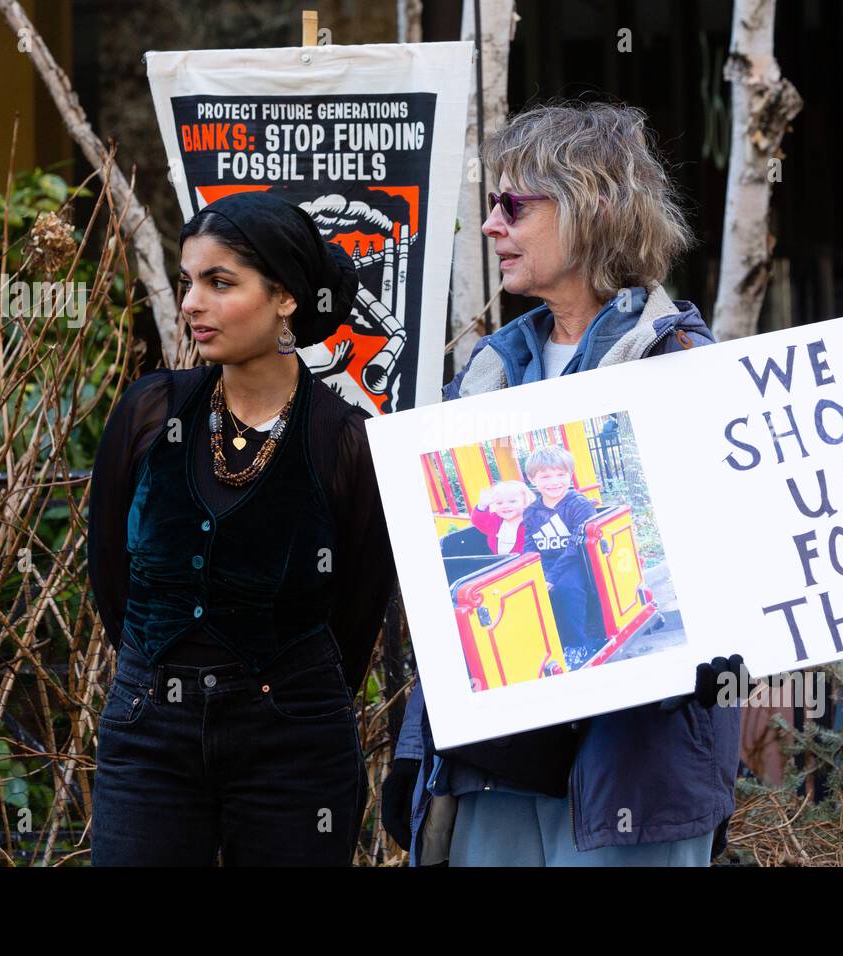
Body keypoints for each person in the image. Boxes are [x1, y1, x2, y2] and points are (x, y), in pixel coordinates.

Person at [381, 101, 743, 867]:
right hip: (492, 772)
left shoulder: (680, 367)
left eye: (514, 204)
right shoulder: (485, 372)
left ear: (596, 205)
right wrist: (420, 746)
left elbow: (735, 574)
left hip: (633, 772)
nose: (491, 226)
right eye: (490, 205)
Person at [86, 190, 395, 865]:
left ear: (284, 297)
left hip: (294, 741)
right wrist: (155, 660)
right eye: (188, 281)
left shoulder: (344, 441)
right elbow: (111, 574)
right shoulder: (149, 412)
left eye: (219, 282)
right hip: (150, 733)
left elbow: (358, 609)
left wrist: (284, 688)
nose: (192, 302)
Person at [519, 445, 600, 668]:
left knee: (567, 588)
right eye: (545, 476)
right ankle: (543, 646)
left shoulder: (578, 504)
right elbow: (530, 544)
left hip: (577, 561)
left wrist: (551, 577)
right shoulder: (531, 511)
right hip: (547, 563)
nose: (554, 482)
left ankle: (577, 644)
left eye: (561, 475)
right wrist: (533, 571)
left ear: (570, 475)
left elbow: (576, 545)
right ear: (532, 479)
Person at [469, 480, 535, 554]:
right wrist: (482, 506)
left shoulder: (532, 520)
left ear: (525, 502)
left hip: (528, 562)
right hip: (503, 560)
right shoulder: (495, 520)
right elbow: (478, 520)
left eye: (512, 501)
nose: (505, 506)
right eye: (499, 503)